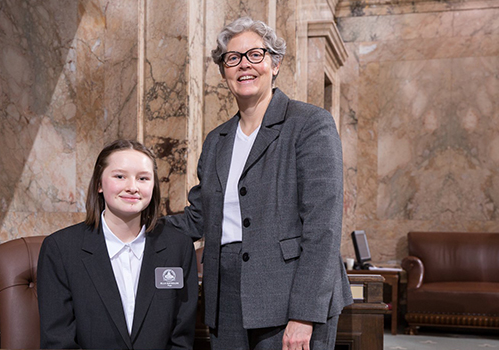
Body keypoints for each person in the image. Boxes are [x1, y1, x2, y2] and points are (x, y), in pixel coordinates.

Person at [167, 17, 353, 350]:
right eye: (232, 58)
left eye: (255, 55)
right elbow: (199, 217)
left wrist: (304, 314)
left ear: (275, 63)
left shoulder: (309, 124)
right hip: (226, 296)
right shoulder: (216, 141)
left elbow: (322, 227)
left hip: (290, 295)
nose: (244, 65)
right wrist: (134, 223)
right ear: (224, 71)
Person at [38, 139, 198, 350]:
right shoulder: (60, 249)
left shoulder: (179, 247)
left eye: (143, 178)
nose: (132, 187)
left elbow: (181, 338)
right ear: (99, 184)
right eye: (120, 176)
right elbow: (58, 342)